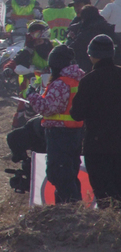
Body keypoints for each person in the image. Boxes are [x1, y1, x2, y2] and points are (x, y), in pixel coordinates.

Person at [25, 45, 84, 203]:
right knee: (70, 173)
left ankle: (69, 206)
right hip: (75, 132)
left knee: (58, 173)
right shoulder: (77, 79)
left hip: (59, 134)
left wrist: (31, 96)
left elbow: (47, 108)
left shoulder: (60, 83)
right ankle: (72, 206)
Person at [70, 35, 121, 206]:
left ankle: (111, 220)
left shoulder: (89, 80)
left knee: (104, 193)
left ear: (92, 55)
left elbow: (77, 114)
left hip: (98, 145)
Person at [3, 20, 54, 128]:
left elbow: (69, 55)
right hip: (35, 84)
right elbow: (16, 59)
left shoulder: (55, 46)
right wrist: (9, 68)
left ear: (44, 33)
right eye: (32, 33)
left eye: (36, 33)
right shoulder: (29, 49)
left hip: (56, 82)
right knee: (21, 112)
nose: (34, 37)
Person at [68, 5, 119, 72]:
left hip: (90, 70)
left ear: (84, 18)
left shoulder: (87, 32)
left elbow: (71, 50)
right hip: (113, 70)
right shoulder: (109, 29)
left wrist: (71, 39)